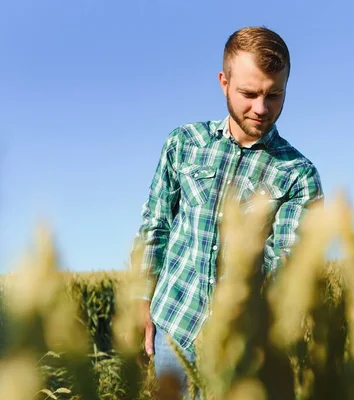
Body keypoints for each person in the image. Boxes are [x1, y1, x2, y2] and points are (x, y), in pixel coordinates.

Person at [129, 26, 324, 396]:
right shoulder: (183, 144)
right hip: (174, 327)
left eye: (274, 95)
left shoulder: (298, 175)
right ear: (224, 82)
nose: (261, 108)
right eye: (249, 94)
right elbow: (155, 225)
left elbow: (285, 266)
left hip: (242, 352)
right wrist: (141, 300)